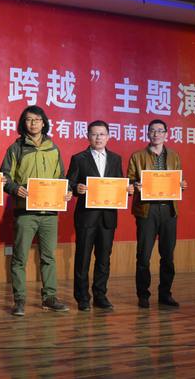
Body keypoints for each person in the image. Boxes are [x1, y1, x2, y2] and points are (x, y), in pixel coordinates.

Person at [0, 105, 73, 317]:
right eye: (29, 119)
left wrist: (67, 191)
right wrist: (15, 188)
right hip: (25, 212)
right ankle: (19, 300)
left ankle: (49, 297)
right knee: (19, 258)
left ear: (44, 123)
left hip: (50, 213)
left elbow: (61, 177)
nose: (33, 123)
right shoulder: (16, 148)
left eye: (37, 119)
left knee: (49, 257)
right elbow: (5, 177)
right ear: (24, 123)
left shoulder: (53, 148)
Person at [67, 120, 133, 311]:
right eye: (94, 134)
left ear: (108, 136)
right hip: (86, 216)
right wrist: (77, 188)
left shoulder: (115, 158)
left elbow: (119, 183)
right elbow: (69, 183)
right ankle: (82, 298)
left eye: (102, 134)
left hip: (108, 217)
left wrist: (127, 189)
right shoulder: (79, 158)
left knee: (104, 258)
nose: (98, 138)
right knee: (83, 258)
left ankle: (100, 295)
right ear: (88, 136)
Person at [127, 119, 188, 309]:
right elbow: (129, 180)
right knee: (143, 256)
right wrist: (135, 185)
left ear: (166, 134)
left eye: (160, 131)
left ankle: (165, 294)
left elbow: (177, 179)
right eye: (152, 131)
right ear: (148, 133)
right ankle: (143, 295)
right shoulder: (137, 156)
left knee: (167, 255)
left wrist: (182, 185)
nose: (156, 134)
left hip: (168, 209)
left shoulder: (174, 156)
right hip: (147, 209)